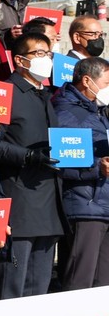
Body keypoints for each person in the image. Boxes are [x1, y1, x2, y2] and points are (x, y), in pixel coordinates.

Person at [0, 33, 66, 300]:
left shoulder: (45, 95)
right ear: (20, 60)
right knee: (14, 281)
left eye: (48, 54)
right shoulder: (4, 93)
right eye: (38, 54)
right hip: (20, 202)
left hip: (49, 201)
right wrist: (28, 156)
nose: (45, 59)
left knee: (40, 285)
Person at [52, 57, 109, 290]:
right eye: (107, 82)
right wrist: (98, 167)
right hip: (85, 205)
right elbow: (60, 160)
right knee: (79, 282)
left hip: (103, 204)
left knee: (102, 283)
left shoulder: (100, 112)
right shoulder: (66, 112)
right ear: (87, 81)